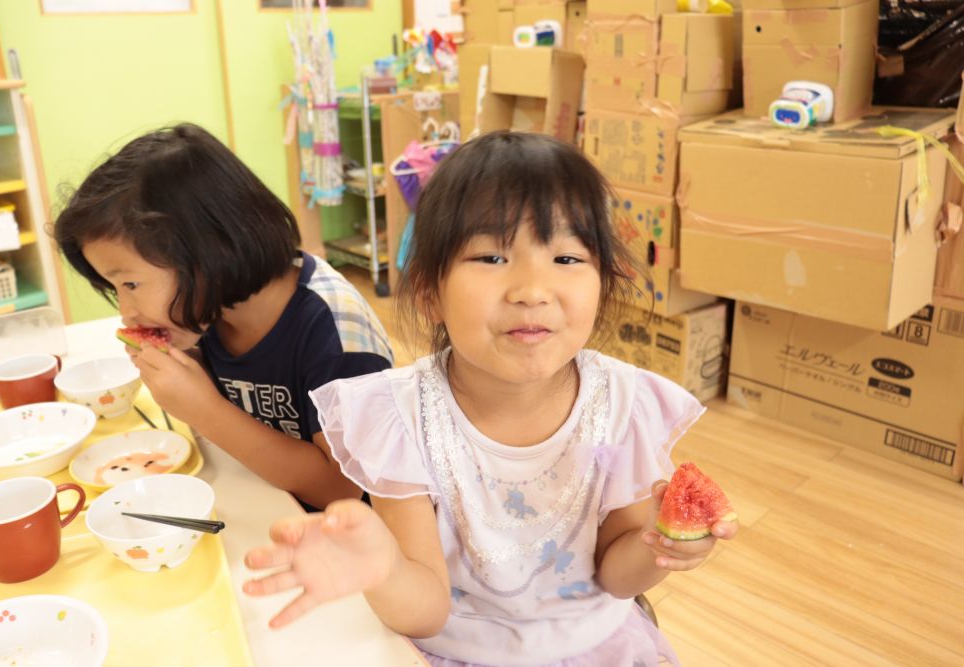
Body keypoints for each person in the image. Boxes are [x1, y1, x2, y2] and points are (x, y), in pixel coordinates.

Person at [242, 131, 738, 666]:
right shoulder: (401, 418)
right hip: (456, 653)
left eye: (567, 258)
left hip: (594, 646)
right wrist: (382, 567)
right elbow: (425, 609)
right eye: (491, 256)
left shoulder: (623, 406)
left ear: (605, 282)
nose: (531, 289)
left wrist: (661, 545)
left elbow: (617, 577)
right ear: (430, 292)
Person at [53, 123, 393, 511]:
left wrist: (204, 409)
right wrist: (184, 369)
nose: (126, 312)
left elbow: (342, 490)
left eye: (130, 284)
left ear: (208, 253)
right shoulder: (210, 311)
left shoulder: (335, 336)